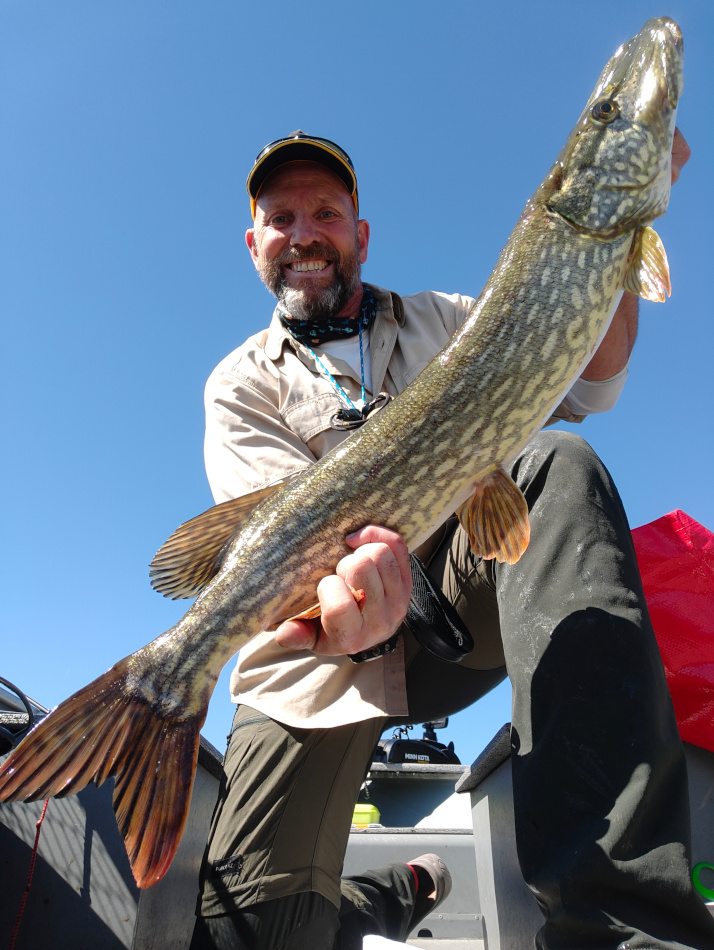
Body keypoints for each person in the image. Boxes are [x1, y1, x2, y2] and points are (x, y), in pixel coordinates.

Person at [190, 130, 714, 950]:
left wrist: (619, 231)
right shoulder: (240, 383)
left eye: (325, 212)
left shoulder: (452, 320)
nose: (304, 234)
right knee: (246, 932)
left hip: (456, 618)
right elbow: (275, 553)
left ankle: (620, 923)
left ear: (360, 235)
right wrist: (341, 600)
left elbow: (597, 379)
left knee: (557, 460)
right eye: (281, 217)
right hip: (314, 656)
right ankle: (395, 893)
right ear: (255, 243)